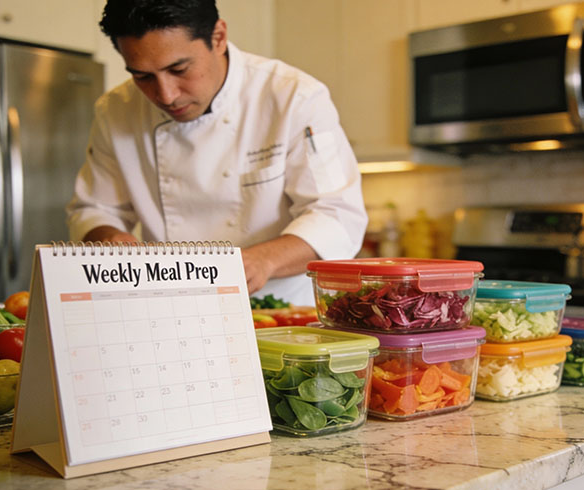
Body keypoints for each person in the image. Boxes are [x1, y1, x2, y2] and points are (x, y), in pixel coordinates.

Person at [65, 0, 367, 306]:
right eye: (143, 76)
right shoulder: (116, 110)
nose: (166, 95)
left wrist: (264, 261)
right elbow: (94, 209)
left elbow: (338, 216)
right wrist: (108, 237)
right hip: (173, 308)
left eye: (179, 69)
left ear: (218, 37)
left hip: (282, 313)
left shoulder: (294, 97)